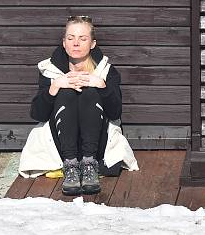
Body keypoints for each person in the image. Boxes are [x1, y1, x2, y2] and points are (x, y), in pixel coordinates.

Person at [18, 16, 138, 196]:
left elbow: (115, 113)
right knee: (66, 93)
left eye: (83, 39)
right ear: (64, 43)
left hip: (97, 147)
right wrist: (55, 86)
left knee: (89, 92)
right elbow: (38, 114)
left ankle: (89, 164)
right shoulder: (50, 71)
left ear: (92, 43)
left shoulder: (106, 71)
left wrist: (101, 86)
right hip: (61, 148)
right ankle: (71, 166)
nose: (76, 43)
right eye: (71, 38)